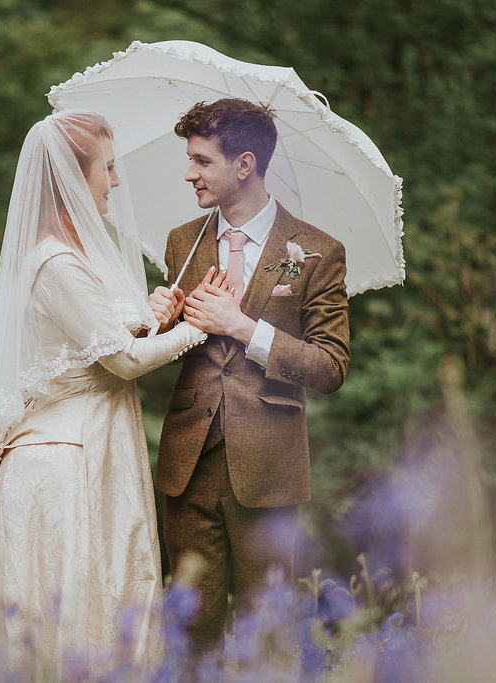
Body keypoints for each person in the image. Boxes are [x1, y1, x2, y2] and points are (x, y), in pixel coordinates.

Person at [0, 112, 209, 669]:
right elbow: (122, 361)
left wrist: (156, 317)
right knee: (68, 606)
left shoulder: (83, 254)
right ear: (72, 176)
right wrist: (199, 328)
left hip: (97, 447)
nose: (115, 181)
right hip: (65, 463)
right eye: (107, 168)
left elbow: (106, 337)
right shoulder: (55, 262)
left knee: (101, 597)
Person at [148, 98, 351, 655]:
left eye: (201, 161)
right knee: (189, 635)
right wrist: (154, 323)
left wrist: (244, 327)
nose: (189, 173)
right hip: (187, 468)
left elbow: (331, 366)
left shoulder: (316, 251)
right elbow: (163, 352)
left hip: (269, 472)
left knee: (271, 635)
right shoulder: (180, 241)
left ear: (244, 164)